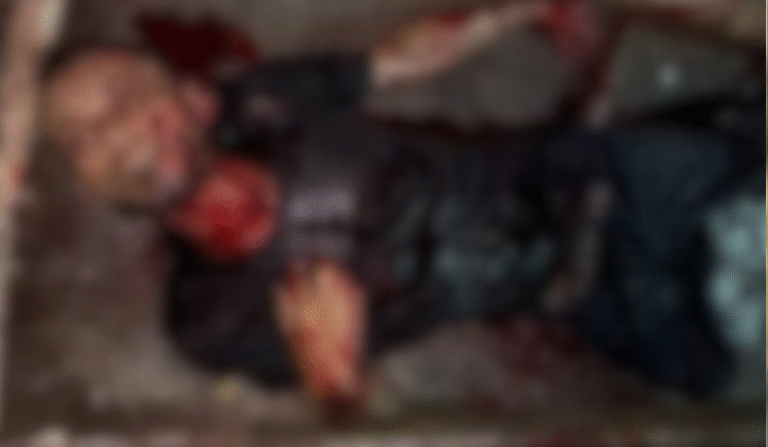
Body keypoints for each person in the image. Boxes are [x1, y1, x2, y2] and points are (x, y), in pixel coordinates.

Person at [39, 1, 761, 420]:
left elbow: (399, 60)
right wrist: (335, 382)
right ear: (94, 189)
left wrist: (521, 6)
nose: (110, 131)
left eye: (119, 94)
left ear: (195, 100)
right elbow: (368, 423)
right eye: (78, 139)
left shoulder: (265, 102)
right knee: (719, 376)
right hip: (584, 299)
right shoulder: (210, 322)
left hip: (602, 175)